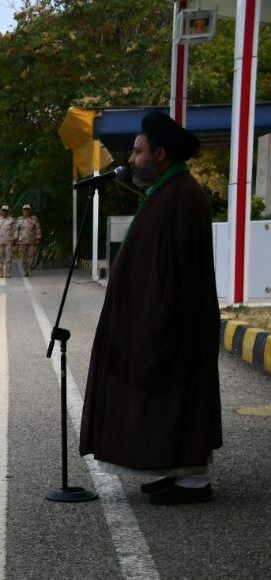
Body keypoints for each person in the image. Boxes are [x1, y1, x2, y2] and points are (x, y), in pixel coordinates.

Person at [80, 110, 221, 506]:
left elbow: (178, 269)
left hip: (177, 320)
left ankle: (192, 480)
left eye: (138, 152)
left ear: (160, 153)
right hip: (165, 316)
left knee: (180, 394)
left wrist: (155, 315)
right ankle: (176, 471)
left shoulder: (183, 196)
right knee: (166, 397)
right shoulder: (167, 190)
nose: (132, 159)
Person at [17, 204, 42, 277]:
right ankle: (25, 270)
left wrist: (38, 237)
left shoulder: (34, 219)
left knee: (31, 256)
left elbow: (38, 228)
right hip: (22, 241)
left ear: (30, 210)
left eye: (27, 209)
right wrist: (15, 239)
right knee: (23, 256)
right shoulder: (19, 219)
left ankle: (30, 269)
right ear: (22, 210)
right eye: (25, 209)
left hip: (32, 240)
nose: (26, 211)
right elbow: (17, 230)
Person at [0, 204, 17, 279]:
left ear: (8, 211)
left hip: (8, 241)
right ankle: (0, 272)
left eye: (6, 211)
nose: (4, 212)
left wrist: (15, 239)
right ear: (1, 211)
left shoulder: (11, 220)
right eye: (3, 210)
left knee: (8, 257)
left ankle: (8, 272)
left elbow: (14, 230)